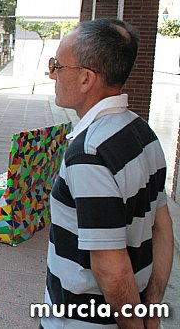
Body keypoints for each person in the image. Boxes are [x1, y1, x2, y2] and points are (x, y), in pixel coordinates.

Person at [43, 19, 173, 328]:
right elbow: (163, 229)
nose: (52, 75)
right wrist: (150, 310)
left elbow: (112, 270)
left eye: (58, 66)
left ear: (86, 79)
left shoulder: (89, 154)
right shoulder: (142, 132)